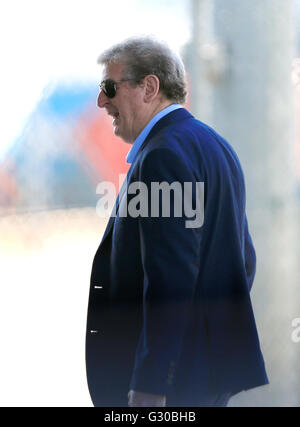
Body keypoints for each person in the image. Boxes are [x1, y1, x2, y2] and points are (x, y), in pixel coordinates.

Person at [85, 36, 269, 407]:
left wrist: (152, 383)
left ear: (149, 87)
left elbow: (170, 280)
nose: (102, 101)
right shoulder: (214, 145)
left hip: (171, 386)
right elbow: (242, 259)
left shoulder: (161, 157)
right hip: (201, 375)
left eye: (109, 87)